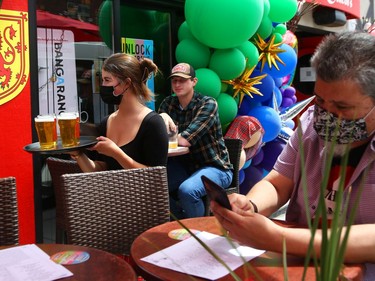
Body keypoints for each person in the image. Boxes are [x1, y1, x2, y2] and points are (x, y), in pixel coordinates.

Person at [211, 31, 375, 280]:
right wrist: (251, 205)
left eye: (342, 107)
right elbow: (278, 182)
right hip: (296, 268)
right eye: (320, 100)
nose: (328, 114)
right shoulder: (311, 123)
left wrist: (279, 238)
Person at [158, 62, 233, 218]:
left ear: (194, 82)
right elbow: (157, 136)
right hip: (185, 167)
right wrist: (162, 117)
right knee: (154, 186)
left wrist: (169, 133)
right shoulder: (168, 104)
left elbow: (185, 140)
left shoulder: (207, 103)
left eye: (183, 80)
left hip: (215, 168)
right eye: (174, 80)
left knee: (187, 191)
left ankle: (199, 234)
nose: (177, 84)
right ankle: (182, 222)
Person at [70, 53, 168, 171]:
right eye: (102, 80)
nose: (103, 85)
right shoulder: (106, 122)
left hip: (138, 190)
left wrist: (116, 153)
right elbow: (100, 171)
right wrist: (78, 155)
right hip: (110, 189)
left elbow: (156, 176)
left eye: (107, 80)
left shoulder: (153, 123)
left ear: (126, 83)